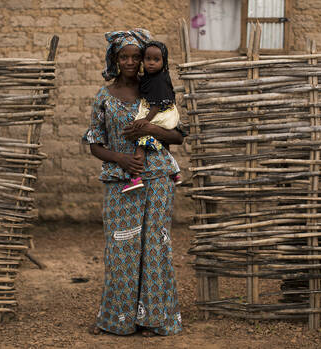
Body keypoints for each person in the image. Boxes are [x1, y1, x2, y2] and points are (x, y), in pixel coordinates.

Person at [82, 28, 184, 337]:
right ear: (114, 59)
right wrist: (121, 158)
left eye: (135, 56)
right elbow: (93, 143)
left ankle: (156, 319)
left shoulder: (154, 88)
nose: (129, 61)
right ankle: (117, 319)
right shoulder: (104, 95)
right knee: (120, 248)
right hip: (120, 179)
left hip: (156, 178)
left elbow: (178, 135)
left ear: (144, 59)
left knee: (155, 247)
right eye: (123, 56)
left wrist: (146, 130)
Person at [122, 40, 182, 193]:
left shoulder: (159, 80)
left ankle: (135, 177)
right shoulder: (150, 78)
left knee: (141, 142)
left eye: (156, 60)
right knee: (157, 142)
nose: (151, 63)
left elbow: (157, 104)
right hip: (159, 112)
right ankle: (175, 173)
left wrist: (146, 121)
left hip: (161, 113)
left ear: (164, 61)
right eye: (148, 59)